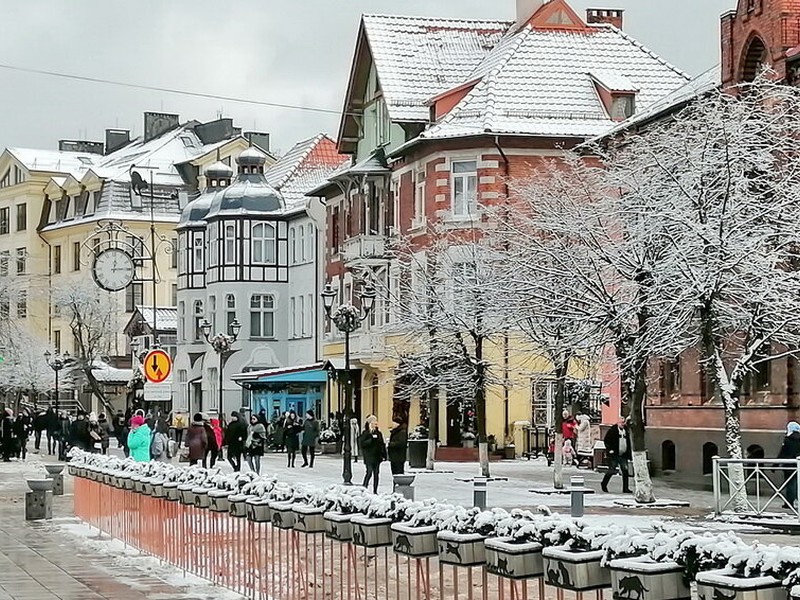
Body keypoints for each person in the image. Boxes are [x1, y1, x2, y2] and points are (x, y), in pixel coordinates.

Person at [601, 418, 632, 493]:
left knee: (625, 471)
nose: (622, 424)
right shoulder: (613, 430)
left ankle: (625, 488)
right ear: (617, 422)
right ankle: (604, 483)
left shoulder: (626, 431)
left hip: (623, 454)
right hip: (614, 454)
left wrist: (629, 454)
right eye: (621, 422)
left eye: (623, 422)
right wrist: (610, 449)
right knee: (612, 470)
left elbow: (628, 442)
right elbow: (606, 440)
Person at [359, 415, 387, 494]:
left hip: (377, 457)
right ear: (369, 423)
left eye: (376, 422)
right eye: (373, 422)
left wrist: (384, 455)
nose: (375, 423)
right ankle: (364, 487)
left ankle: (375, 490)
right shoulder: (365, 433)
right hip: (369, 456)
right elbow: (362, 444)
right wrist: (371, 439)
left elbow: (382, 444)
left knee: (376, 474)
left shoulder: (378, 433)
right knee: (369, 472)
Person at [778, 421, 800, 508]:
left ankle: (789, 503)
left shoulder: (787, 439)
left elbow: (782, 453)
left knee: (790, 484)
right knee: (797, 484)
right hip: (798, 464)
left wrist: (775, 464)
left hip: (789, 465)